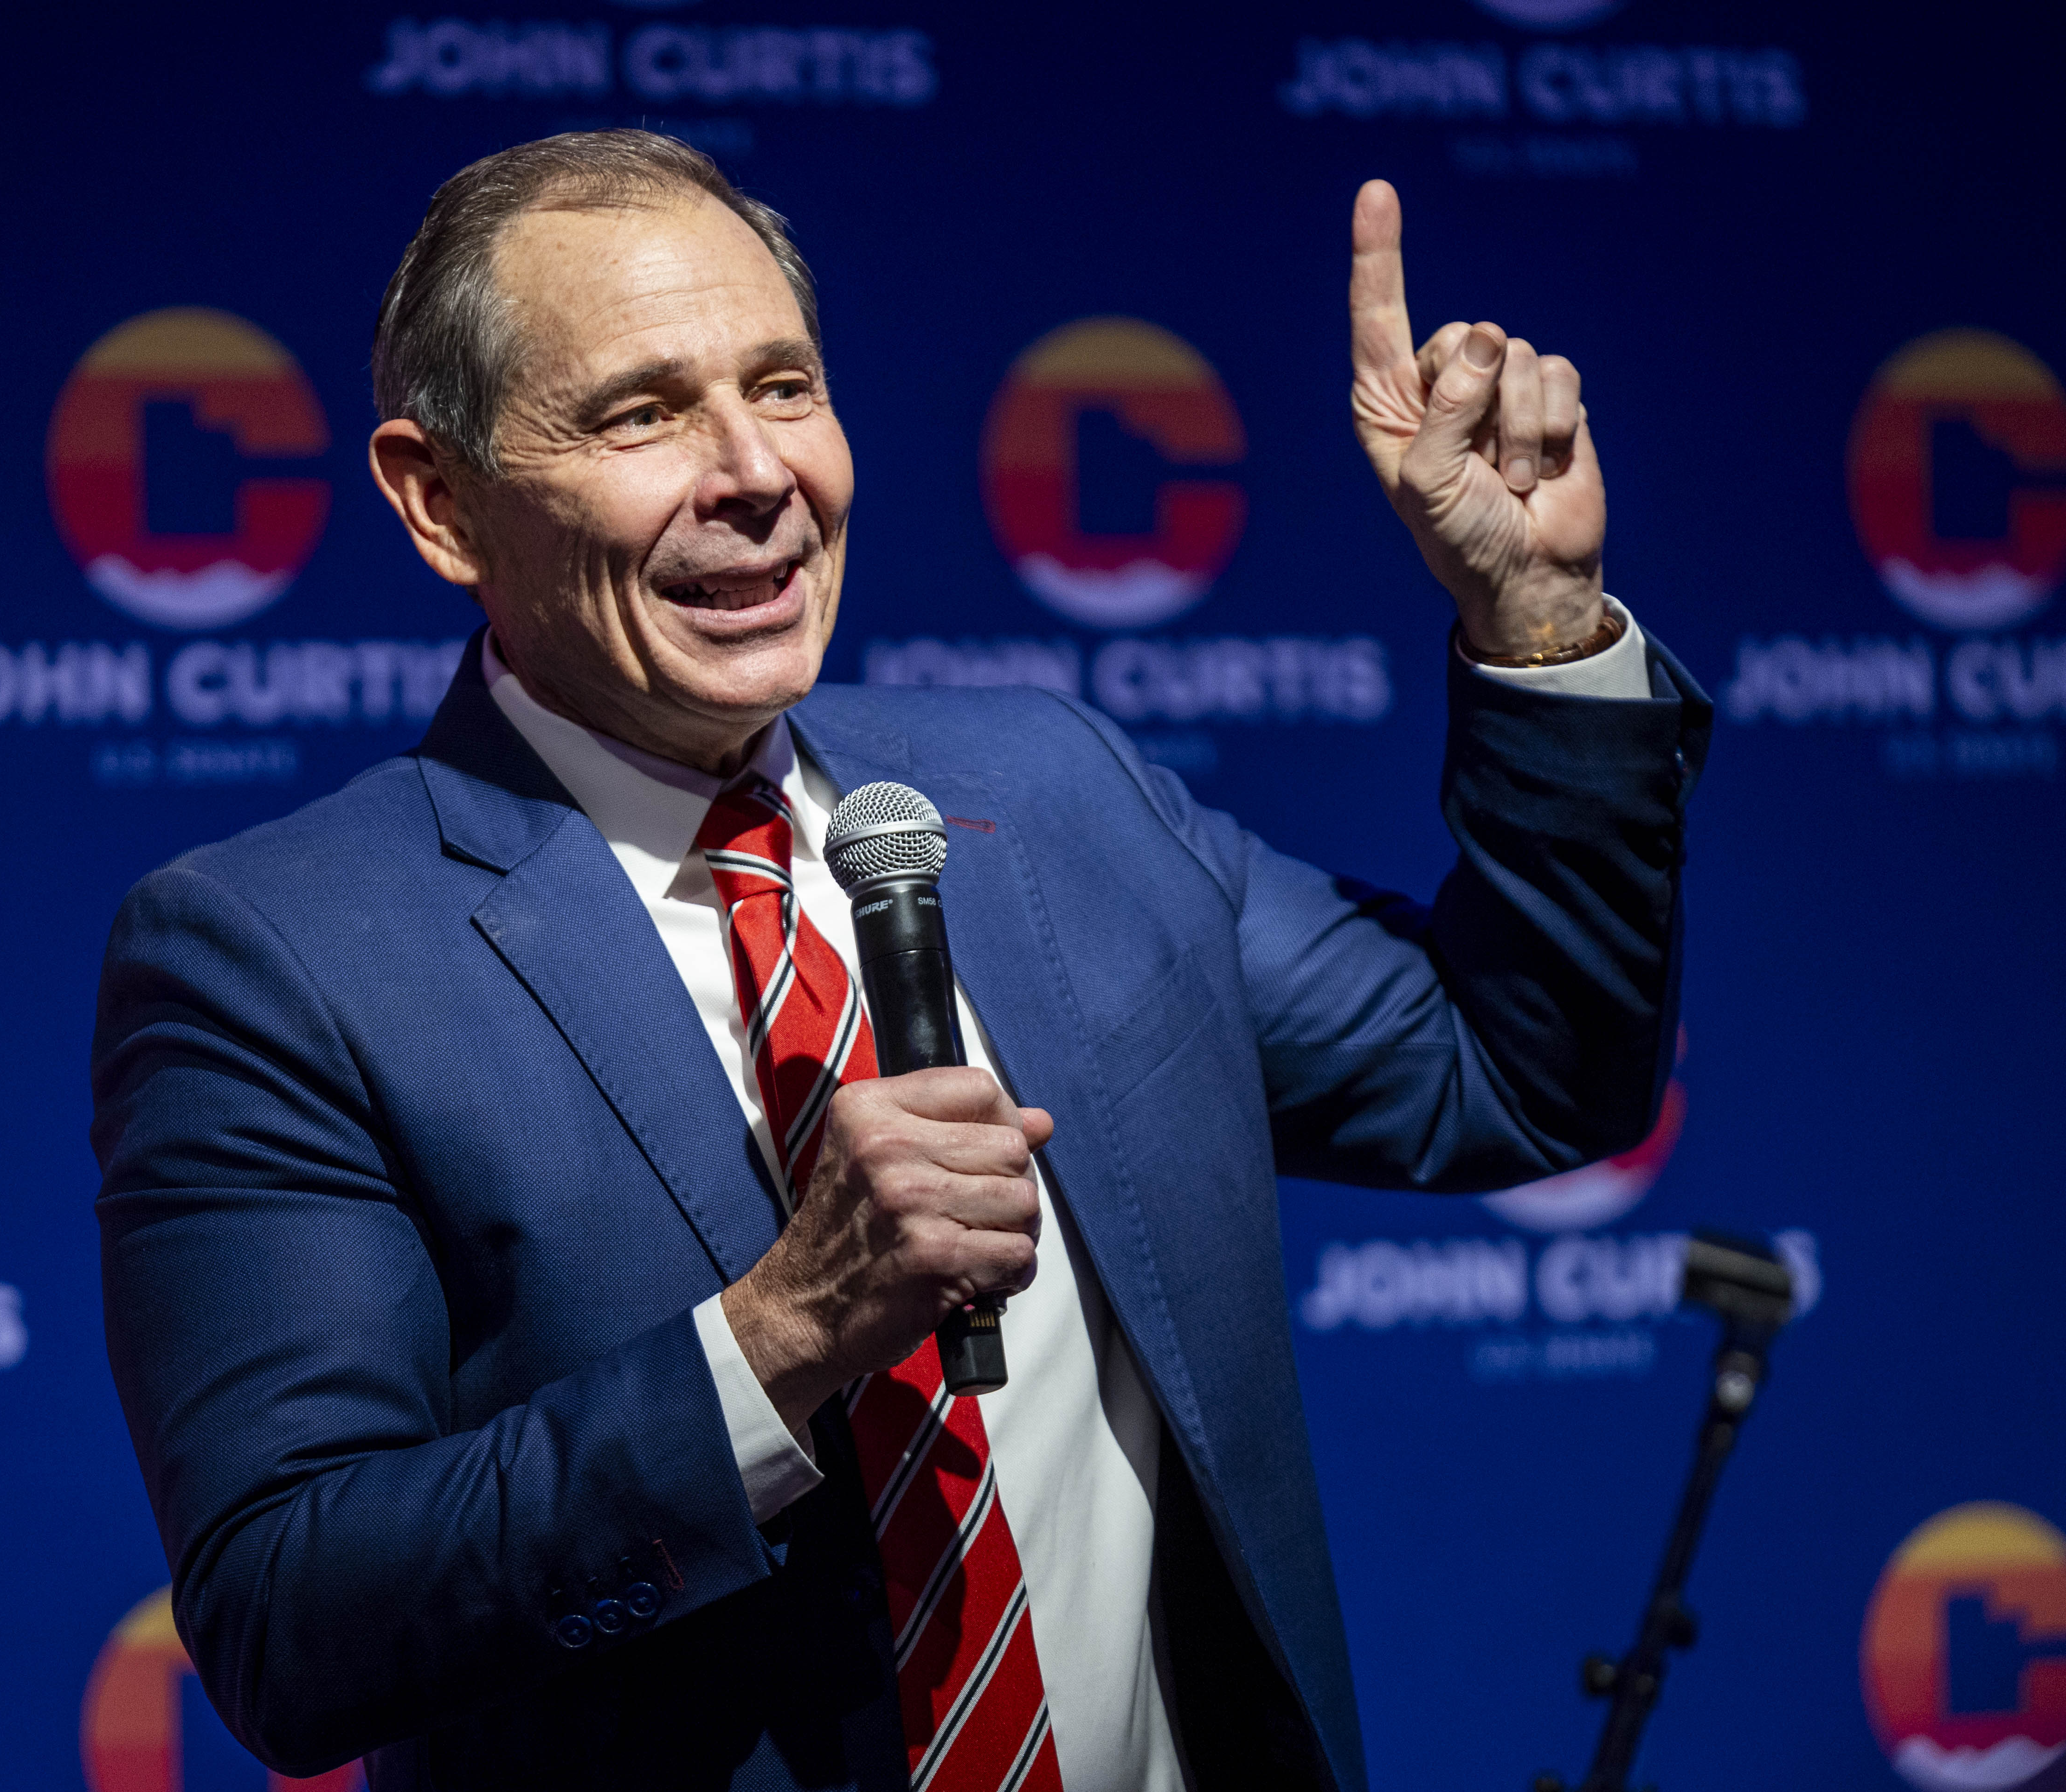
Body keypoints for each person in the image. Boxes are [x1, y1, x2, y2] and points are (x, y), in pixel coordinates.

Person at [91, 131, 1706, 1792]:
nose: (754, 470)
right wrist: (782, 1339)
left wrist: (1537, 629)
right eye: (644, 413)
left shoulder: (1048, 791)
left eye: (785, 386)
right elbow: (291, 1619)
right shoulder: (273, 958)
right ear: (441, 503)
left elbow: (1519, 1076)